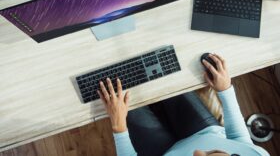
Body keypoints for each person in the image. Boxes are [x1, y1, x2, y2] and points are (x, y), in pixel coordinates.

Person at [98, 54, 269, 156]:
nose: (197, 152)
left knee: (119, 93)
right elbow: (239, 140)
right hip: (201, 130)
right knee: (163, 69)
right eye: (210, 153)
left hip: (161, 152)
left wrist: (118, 126)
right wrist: (225, 90)